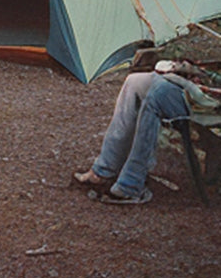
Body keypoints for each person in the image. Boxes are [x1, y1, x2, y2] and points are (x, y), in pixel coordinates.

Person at [73, 58, 221, 203]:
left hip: (212, 106)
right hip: (203, 89)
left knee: (159, 95)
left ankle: (130, 185)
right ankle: (103, 170)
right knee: (134, 82)